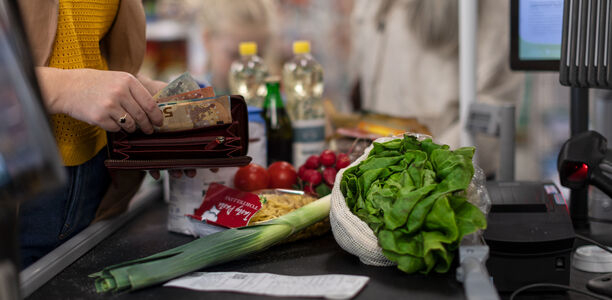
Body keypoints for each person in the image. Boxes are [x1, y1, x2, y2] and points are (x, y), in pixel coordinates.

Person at [15, 0, 185, 268]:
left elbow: (86, 51)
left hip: (100, 181)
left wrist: (138, 94)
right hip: (17, 186)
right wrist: (64, 88)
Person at [349, 0, 523, 176]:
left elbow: (495, 99)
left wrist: (429, 168)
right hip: (383, 168)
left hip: (444, 179)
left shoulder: (491, 7)